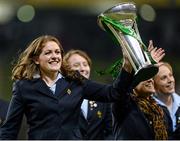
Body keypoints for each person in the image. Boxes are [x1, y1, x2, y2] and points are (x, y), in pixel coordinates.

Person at [0, 35, 132, 140]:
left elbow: (113, 93)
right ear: (36, 59)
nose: (55, 56)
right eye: (48, 53)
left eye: (58, 52)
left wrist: (126, 67)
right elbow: (10, 128)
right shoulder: (24, 87)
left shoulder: (75, 82)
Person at [112, 41, 170, 140]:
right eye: (143, 76)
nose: (149, 79)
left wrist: (149, 63)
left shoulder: (162, 111)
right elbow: (122, 89)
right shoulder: (123, 106)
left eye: (151, 75)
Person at [63, 49, 114, 140]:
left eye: (85, 65)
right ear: (66, 70)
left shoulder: (101, 98)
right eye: (76, 65)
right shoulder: (61, 97)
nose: (82, 69)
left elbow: (110, 132)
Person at [153, 62, 180, 138]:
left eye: (170, 75)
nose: (170, 80)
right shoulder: (148, 108)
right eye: (164, 78)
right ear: (154, 84)